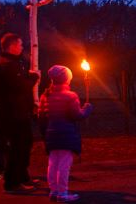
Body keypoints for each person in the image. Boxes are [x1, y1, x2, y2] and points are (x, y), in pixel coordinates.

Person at [0, 33, 40, 193]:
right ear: (12, 46)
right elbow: (19, 86)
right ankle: (12, 183)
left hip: (17, 111)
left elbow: (19, 81)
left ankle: (22, 176)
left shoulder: (10, 63)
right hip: (13, 113)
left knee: (25, 143)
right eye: (20, 45)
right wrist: (34, 79)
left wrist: (29, 76)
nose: (22, 47)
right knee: (18, 147)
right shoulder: (7, 65)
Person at [38, 65, 93, 202]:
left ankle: (54, 191)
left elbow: (41, 117)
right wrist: (87, 109)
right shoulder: (70, 96)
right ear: (66, 79)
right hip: (66, 134)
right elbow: (77, 115)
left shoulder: (45, 95)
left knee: (53, 163)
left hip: (51, 135)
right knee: (64, 165)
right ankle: (62, 193)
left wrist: (46, 133)